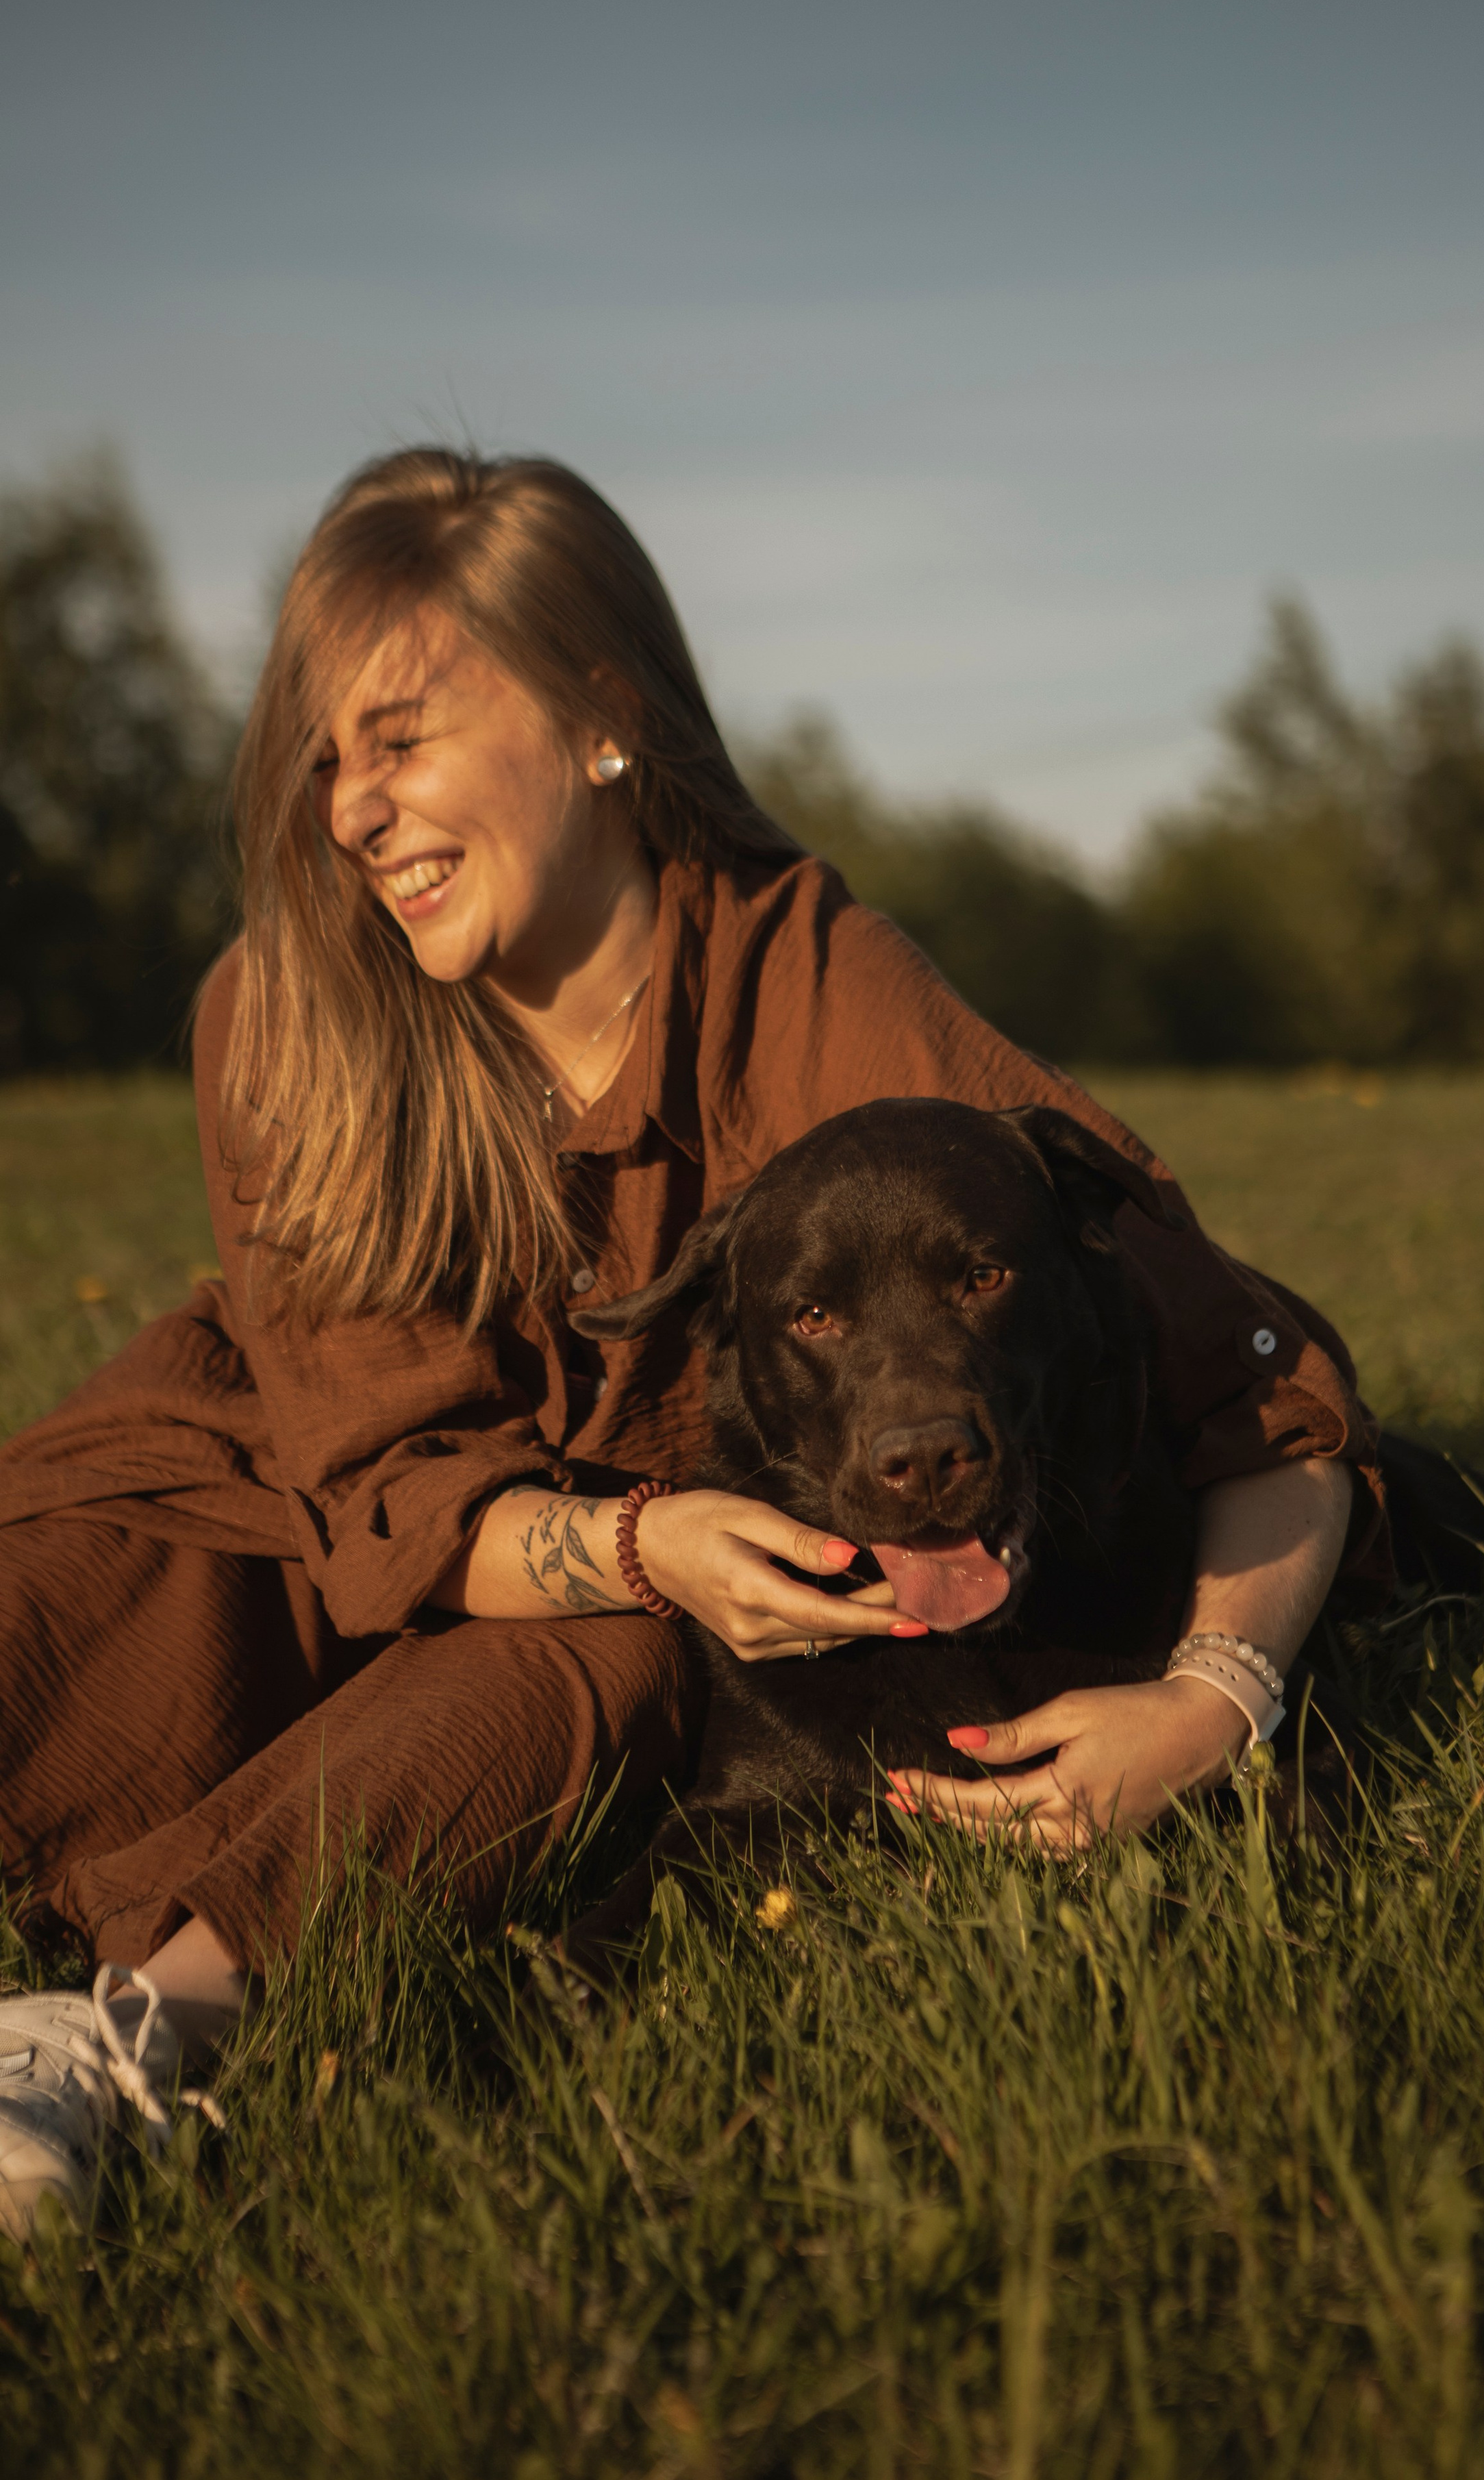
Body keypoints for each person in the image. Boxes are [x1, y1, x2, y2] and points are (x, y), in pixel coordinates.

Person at [0, 449, 1383, 2241]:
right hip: (255, 1509)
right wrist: (642, 1536)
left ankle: (108, 2045)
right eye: (327, 755)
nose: (353, 808)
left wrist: (1217, 1702)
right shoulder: (289, 1010)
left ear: (601, 718)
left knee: (582, 1667)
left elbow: (1257, 1389)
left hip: (547, 1642)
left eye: (402, 737)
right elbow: (375, 1486)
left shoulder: (814, 989)